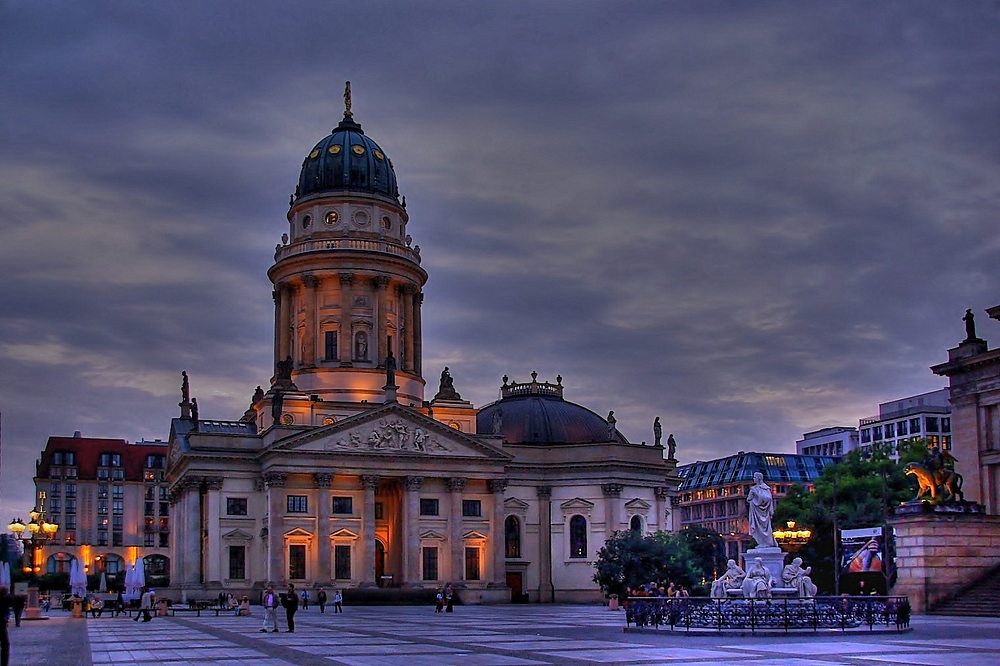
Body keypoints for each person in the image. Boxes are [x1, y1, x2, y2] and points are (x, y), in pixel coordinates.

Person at [747, 472, 778, 548]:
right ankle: (761, 543)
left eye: (754, 477)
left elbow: (767, 498)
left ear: (759, 478)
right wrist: (751, 495)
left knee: (765, 528)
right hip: (756, 513)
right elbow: (748, 499)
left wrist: (756, 495)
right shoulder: (753, 488)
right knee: (757, 528)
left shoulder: (765, 488)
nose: (753, 479)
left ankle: (766, 543)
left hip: (764, 513)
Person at [0, 585, 12, 666]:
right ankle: (4, 664)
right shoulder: (5, 599)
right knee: (5, 645)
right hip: (1, 624)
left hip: (2, 624)